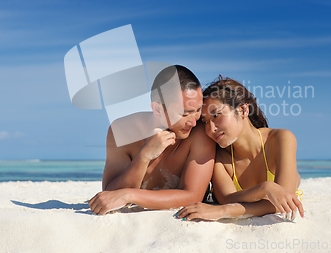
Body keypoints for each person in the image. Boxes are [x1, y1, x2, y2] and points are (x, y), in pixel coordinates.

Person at [89, 65, 215, 215]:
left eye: (198, 110)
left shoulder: (200, 133)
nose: (194, 122)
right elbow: (110, 195)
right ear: (157, 109)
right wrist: (144, 156)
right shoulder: (121, 131)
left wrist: (130, 195)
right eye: (185, 114)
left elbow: (193, 196)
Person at [176, 76, 304, 221]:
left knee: (295, 179)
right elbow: (227, 199)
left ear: (243, 110)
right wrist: (265, 188)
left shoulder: (280, 139)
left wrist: (222, 211)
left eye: (216, 115)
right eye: (205, 121)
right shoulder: (220, 158)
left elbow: (283, 199)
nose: (211, 129)